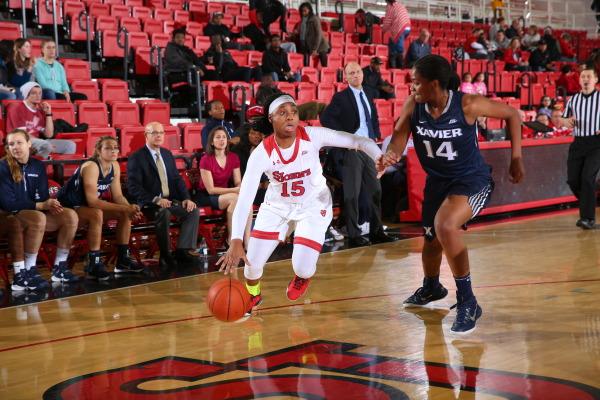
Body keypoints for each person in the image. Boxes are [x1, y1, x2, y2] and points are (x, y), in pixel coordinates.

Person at [382, 55, 524, 333]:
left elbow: (512, 114)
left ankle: (468, 301)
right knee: (432, 242)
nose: (413, 87)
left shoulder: (467, 104)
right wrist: (390, 155)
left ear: (434, 84)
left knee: (446, 225)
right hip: (438, 182)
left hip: (471, 179)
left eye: (417, 82)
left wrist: (516, 157)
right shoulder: (414, 105)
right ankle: (432, 287)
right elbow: (399, 136)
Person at [216, 93, 385, 314]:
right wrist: (236, 239)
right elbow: (245, 198)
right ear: (271, 119)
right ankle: (254, 294)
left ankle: (302, 277)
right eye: (283, 113)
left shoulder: (312, 136)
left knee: (303, 267)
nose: (290, 117)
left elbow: (356, 140)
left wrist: (378, 155)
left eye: (294, 112)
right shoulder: (262, 153)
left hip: (313, 207)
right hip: (277, 208)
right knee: (251, 266)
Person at [320, 62, 396, 247]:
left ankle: (376, 231)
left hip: (369, 147)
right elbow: (325, 118)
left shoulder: (368, 93)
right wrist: (345, 139)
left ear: (362, 74)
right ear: (345, 77)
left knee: (375, 191)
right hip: (352, 149)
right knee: (352, 193)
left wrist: (375, 134)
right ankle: (354, 235)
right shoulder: (341, 97)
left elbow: (372, 117)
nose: (355, 75)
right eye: (350, 73)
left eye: (357, 72)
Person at [0, 129, 80, 288]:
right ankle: (29, 269)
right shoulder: (2, 167)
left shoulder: (37, 165)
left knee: (69, 215)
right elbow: (8, 204)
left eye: (19, 142)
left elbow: (42, 197)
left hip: (29, 212)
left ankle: (60, 268)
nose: (15, 147)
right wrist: (40, 205)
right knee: (38, 217)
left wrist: (50, 204)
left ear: (29, 144)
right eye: (11, 144)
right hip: (7, 216)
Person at [57, 136, 145, 280]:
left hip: (85, 206)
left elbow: (118, 197)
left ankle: (123, 261)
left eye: (116, 147)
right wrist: (126, 208)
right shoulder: (91, 166)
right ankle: (94, 263)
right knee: (96, 213)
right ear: (98, 151)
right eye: (108, 148)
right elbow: (92, 202)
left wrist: (130, 209)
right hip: (68, 207)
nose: (113, 151)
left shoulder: (114, 166)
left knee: (124, 214)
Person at [127, 122, 201, 270]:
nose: (159, 136)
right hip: (149, 204)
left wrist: (186, 198)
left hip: (170, 201)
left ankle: (182, 250)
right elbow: (133, 187)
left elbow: (177, 179)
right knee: (164, 213)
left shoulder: (167, 154)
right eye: (154, 133)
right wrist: (156, 199)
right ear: (146, 135)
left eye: (161, 133)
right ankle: (165, 254)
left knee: (193, 211)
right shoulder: (137, 157)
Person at [559, 65, 600, 230]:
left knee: (587, 178)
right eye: (583, 77)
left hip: (597, 142)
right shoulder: (573, 100)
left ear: (596, 80)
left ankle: (587, 218)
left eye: (589, 76)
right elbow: (562, 119)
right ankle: (588, 203)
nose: (585, 79)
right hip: (578, 142)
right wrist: (566, 122)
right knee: (573, 180)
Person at [197, 127, 252, 245]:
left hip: (226, 194)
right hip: (206, 196)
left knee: (247, 200)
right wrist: (235, 190)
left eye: (224, 137)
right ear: (211, 142)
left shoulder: (233, 157)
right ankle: (232, 239)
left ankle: (247, 240)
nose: (222, 140)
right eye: (218, 137)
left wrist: (240, 187)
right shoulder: (205, 159)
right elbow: (211, 190)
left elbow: (238, 181)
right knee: (235, 198)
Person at [5, 82, 77, 159]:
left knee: (70, 145)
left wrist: (48, 114)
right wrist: (45, 143)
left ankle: (59, 170)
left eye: (40, 93)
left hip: (39, 142)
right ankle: (37, 168)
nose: (38, 96)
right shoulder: (16, 108)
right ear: (26, 94)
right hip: (20, 141)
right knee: (45, 145)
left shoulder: (40, 110)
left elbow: (49, 134)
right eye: (34, 93)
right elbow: (22, 134)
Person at [164, 27, 213, 107]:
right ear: (173, 39)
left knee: (213, 74)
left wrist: (204, 64)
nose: (180, 39)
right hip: (177, 75)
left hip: (190, 72)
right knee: (195, 76)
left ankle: (213, 101)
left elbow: (196, 60)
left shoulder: (187, 50)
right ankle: (196, 103)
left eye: (182, 38)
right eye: (178, 37)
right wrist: (195, 67)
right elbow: (178, 62)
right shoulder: (171, 49)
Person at [293, 2, 329, 67]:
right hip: (306, 45)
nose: (303, 12)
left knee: (323, 60)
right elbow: (301, 32)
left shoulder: (315, 19)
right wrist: (296, 32)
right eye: (301, 11)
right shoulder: (301, 21)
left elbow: (319, 35)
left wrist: (315, 49)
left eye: (305, 10)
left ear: (309, 10)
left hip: (319, 45)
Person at [382, 0, 411, 68]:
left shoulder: (390, 7)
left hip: (400, 28)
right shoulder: (400, 5)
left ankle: (396, 68)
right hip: (407, 27)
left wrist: (383, 29)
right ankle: (396, 66)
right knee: (393, 42)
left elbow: (387, 21)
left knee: (397, 50)